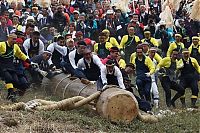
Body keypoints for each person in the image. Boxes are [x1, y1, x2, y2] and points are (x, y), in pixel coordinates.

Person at [0, 34, 30, 102]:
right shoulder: (1, 44)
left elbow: (20, 54)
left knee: (16, 81)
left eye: (15, 39)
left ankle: (10, 95)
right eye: (13, 39)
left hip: (11, 66)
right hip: (2, 66)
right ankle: (11, 95)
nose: (14, 41)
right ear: (8, 38)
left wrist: (28, 61)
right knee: (9, 78)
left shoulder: (15, 46)